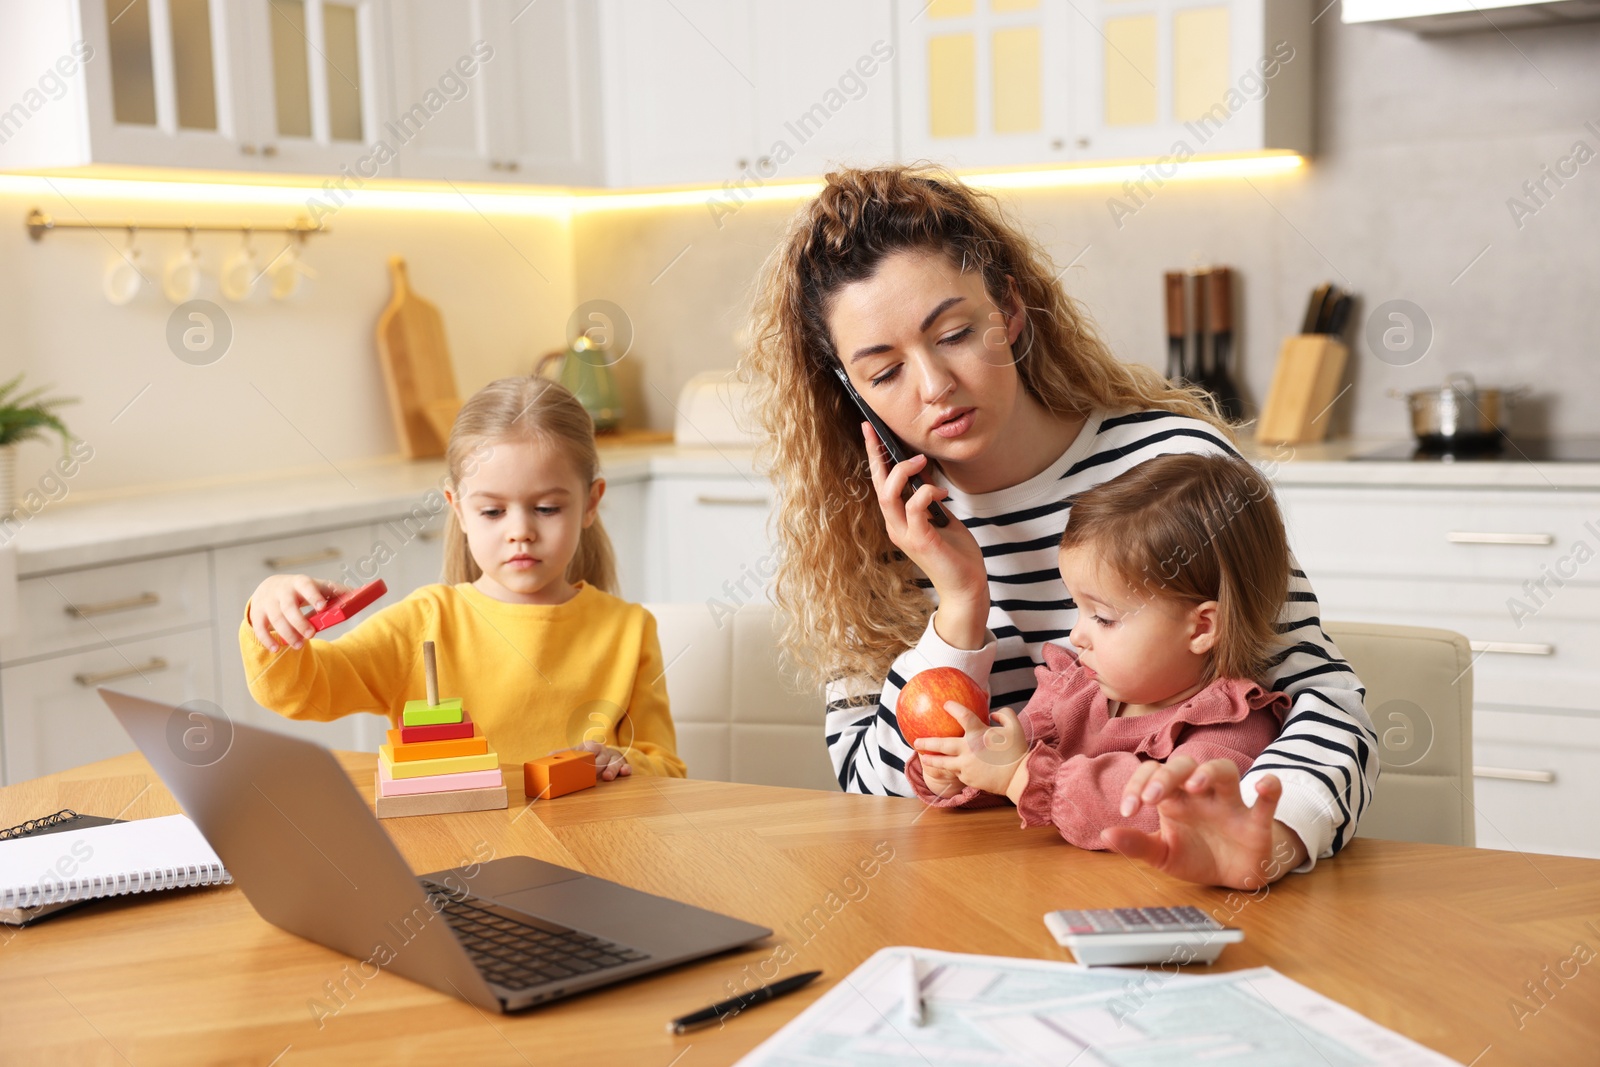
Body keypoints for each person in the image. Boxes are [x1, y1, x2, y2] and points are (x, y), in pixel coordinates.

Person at [740, 165, 1375, 890]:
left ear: (1008, 308)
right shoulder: (865, 529)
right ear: (850, 390)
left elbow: (1325, 702)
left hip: (1174, 894)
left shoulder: (1172, 467)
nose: (934, 385)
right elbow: (871, 791)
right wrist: (959, 608)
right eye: (884, 373)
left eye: (953, 333)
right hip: (973, 903)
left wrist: (1271, 836)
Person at [239, 376, 685, 779]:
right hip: (449, 860)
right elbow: (300, 692)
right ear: (459, 510)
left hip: (584, 853)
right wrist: (269, 616)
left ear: (591, 503)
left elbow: (666, 768)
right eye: (492, 511)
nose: (520, 532)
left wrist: (625, 765)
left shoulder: (629, 629)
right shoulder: (423, 622)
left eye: (547, 508)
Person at [908, 454, 1295, 874]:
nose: (1076, 635)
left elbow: (1158, 816)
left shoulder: (1229, 729)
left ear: (1201, 628)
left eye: (1104, 617)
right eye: (1077, 608)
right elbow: (1004, 773)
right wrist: (959, 773)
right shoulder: (1072, 692)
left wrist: (1021, 773)